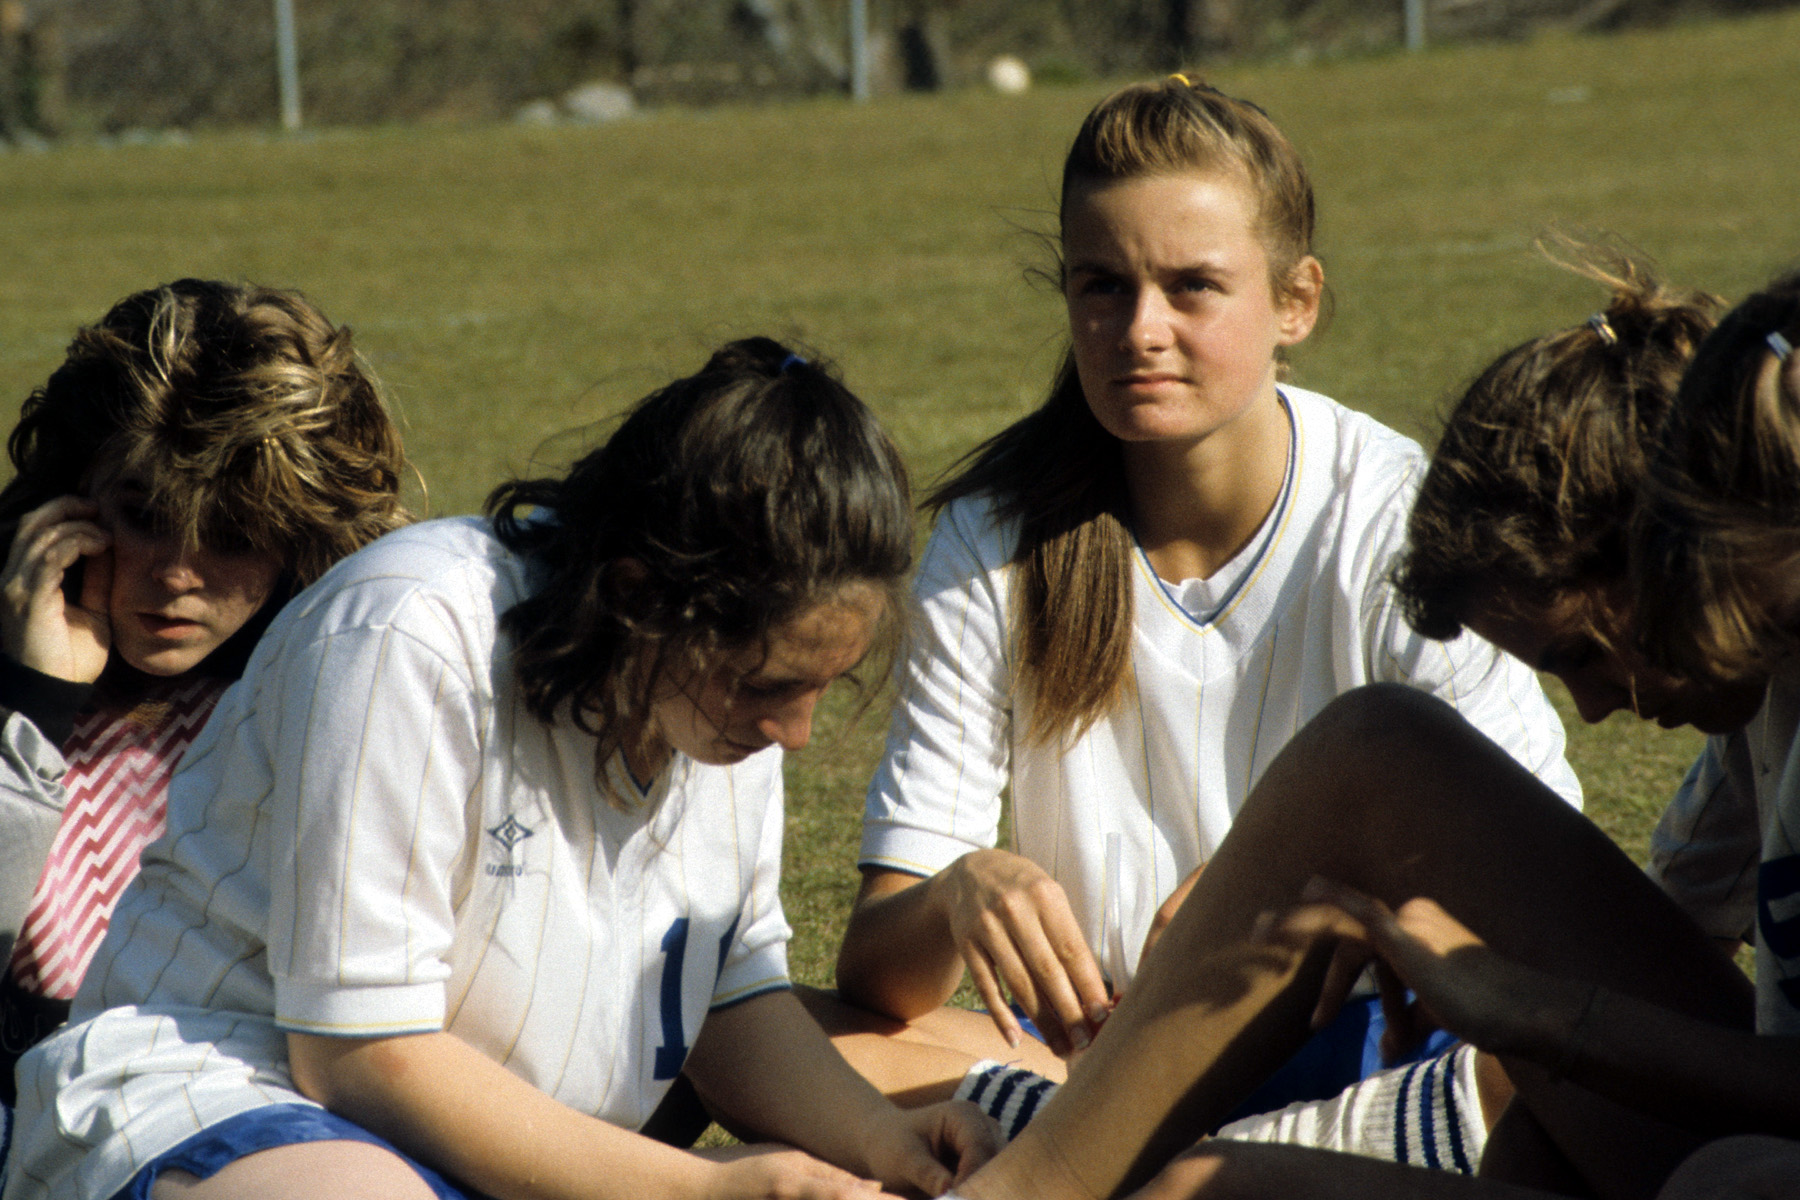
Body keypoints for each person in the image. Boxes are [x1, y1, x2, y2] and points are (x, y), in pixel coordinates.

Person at [3, 337, 997, 1200]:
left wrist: (883, 1138)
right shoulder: (409, 631)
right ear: (638, 595)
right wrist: (702, 1186)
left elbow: (725, 1007)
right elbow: (358, 1053)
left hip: (464, 1141)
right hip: (222, 1092)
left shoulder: (716, 709)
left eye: (824, 684)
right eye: (767, 684)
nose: (797, 731)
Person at [924, 270, 1800, 1199]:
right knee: (1208, 1186)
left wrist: (1536, 1015)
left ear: (1684, 548)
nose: (1589, 709)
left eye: (1585, 652)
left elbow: (1597, 1024)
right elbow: (1655, 973)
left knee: (1728, 1181)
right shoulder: (1764, 711)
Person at [827, 74, 1580, 1132]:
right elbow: (878, 974)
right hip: (1097, 1051)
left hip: (1365, 1045)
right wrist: (959, 891)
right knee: (792, 1044)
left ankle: (1124, 1157)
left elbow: (1545, 877)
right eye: (1102, 285)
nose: (1140, 328)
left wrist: (1327, 901)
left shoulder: (1391, 514)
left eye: (1192, 287)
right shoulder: (992, 537)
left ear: (1296, 301)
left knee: (1538, 1077)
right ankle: (1202, 1155)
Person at [0, 280, 410, 1119]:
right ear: (69, 497)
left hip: (263, 1101)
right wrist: (34, 702)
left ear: (302, 536)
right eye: (144, 515)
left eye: (231, 534)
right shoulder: (13, 659)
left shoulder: (343, 681)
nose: (177, 574)